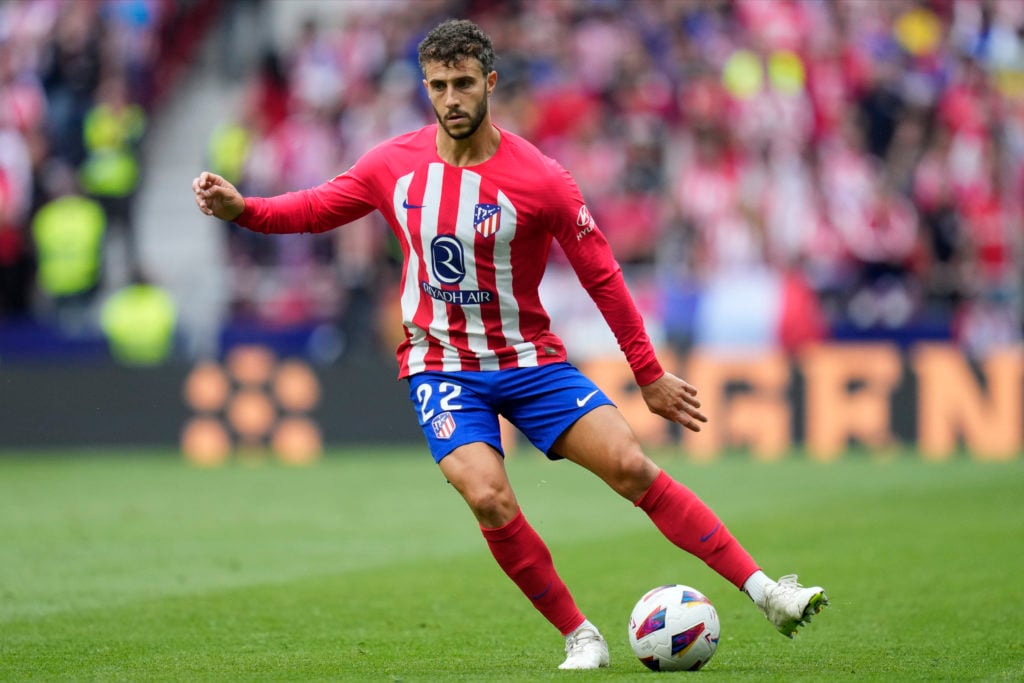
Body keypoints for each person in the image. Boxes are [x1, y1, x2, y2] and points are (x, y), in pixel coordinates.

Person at [192, 19, 828, 670]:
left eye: (463, 83)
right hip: (442, 366)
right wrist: (245, 209)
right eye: (438, 85)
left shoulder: (542, 179)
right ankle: (580, 633)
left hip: (529, 359)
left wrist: (649, 372)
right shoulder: (394, 166)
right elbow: (316, 208)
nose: (451, 98)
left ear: (490, 83)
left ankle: (767, 591)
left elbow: (601, 273)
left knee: (631, 464)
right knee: (488, 494)